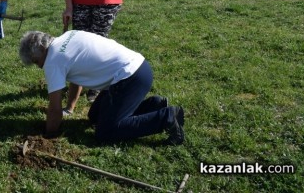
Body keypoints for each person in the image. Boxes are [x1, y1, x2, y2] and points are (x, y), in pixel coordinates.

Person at [19, 30, 185, 145]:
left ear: (42, 49)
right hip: (139, 68)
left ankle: (166, 118)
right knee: (94, 116)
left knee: (106, 132)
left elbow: (54, 110)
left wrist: (49, 135)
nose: (39, 66)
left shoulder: (52, 61)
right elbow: (76, 78)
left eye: (35, 61)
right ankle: (154, 105)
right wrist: (70, 107)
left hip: (131, 78)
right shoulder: (68, 36)